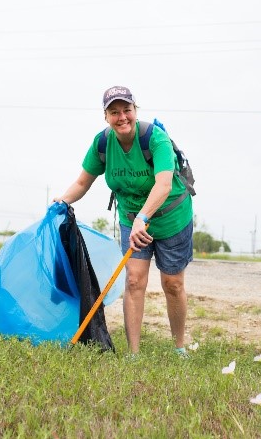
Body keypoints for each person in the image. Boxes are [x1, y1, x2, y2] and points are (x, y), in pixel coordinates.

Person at [54, 85, 194, 355]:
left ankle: (179, 347)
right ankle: (133, 354)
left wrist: (144, 217)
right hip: (132, 218)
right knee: (134, 280)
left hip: (172, 217)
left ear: (135, 110)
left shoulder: (156, 140)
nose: (122, 117)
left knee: (172, 284)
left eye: (126, 110)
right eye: (114, 112)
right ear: (106, 116)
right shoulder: (102, 144)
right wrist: (62, 201)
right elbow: (83, 182)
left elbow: (163, 185)